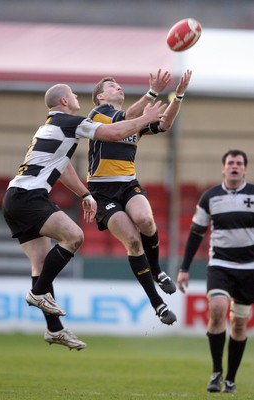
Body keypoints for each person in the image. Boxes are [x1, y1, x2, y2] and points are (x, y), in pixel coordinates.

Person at [2, 83, 165, 351]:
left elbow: (63, 165)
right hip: (29, 196)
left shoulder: (50, 127)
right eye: (74, 95)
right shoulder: (70, 122)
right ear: (65, 101)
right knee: (74, 236)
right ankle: (38, 293)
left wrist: (84, 194)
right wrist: (145, 119)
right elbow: (111, 133)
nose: (78, 98)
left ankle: (54, 330)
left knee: (41, 265)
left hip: (15, 197)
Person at [87, 69, 192, 326]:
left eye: (119, 85)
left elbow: (164, 124)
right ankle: (157, 302)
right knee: (133, 241)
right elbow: (127, 117)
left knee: (145, 220)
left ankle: (157, 271)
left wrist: (177, 96)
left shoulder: (133, 120)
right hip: (102, 191)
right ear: (100, 96)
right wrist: (153, 93)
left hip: (128, 184)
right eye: (112, 86)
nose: (118, 88)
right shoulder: (98, 115)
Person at [177, 149, 254, 393]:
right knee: (218, 310)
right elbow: (196, 233)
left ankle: (230, 378)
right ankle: (216, 372)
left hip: (250, 269)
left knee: (240, 326)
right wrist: (184, 268)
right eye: (230, 162)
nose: (234, 166)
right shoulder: (210, 196)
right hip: (221, 264)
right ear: (223, 168)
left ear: (244, 168)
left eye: (239, 163)